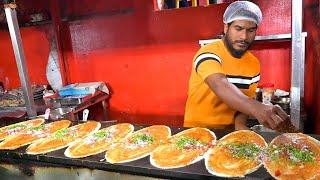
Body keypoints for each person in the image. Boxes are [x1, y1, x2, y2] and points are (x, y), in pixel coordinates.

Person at [184, 1, 290, 130]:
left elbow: (244, 101)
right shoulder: (208, 52)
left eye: (250, 30)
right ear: (226, 28)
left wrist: (240, 126)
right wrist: (257, 108)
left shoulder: (253, 64)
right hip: (197, 132)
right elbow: (220, 84)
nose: (244, 37)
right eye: (238, 28)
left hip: (229, 134)